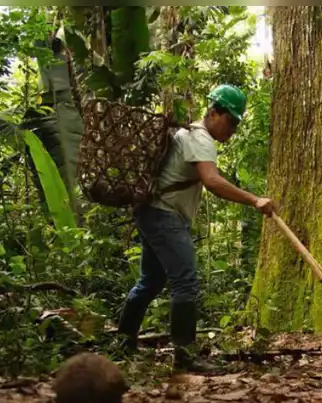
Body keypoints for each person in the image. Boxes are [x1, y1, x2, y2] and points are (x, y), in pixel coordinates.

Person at [117, 85, 276, 372]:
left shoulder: (188, 133)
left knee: (150, 282)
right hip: (163, 215)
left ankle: (122, 343)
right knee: (185, 281)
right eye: (231, 121)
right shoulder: (201, 138)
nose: (234, 129)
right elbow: (213, 182)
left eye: (238, 123)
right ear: (214, 112)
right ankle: (185, 355)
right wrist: (255, 200)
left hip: (152, 211)